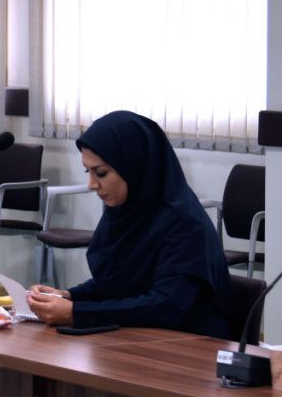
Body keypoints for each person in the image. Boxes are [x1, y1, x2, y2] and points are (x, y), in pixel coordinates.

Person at [27, 110, 233, 337]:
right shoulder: (127, 214)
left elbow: (166, 306)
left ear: (134, 167)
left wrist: (75, 312)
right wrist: (68, 296)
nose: (91, 184)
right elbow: (116, 283)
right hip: (138, 338)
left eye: (101, 173)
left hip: (191, 344)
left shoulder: (186, 226)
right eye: (88, 171)